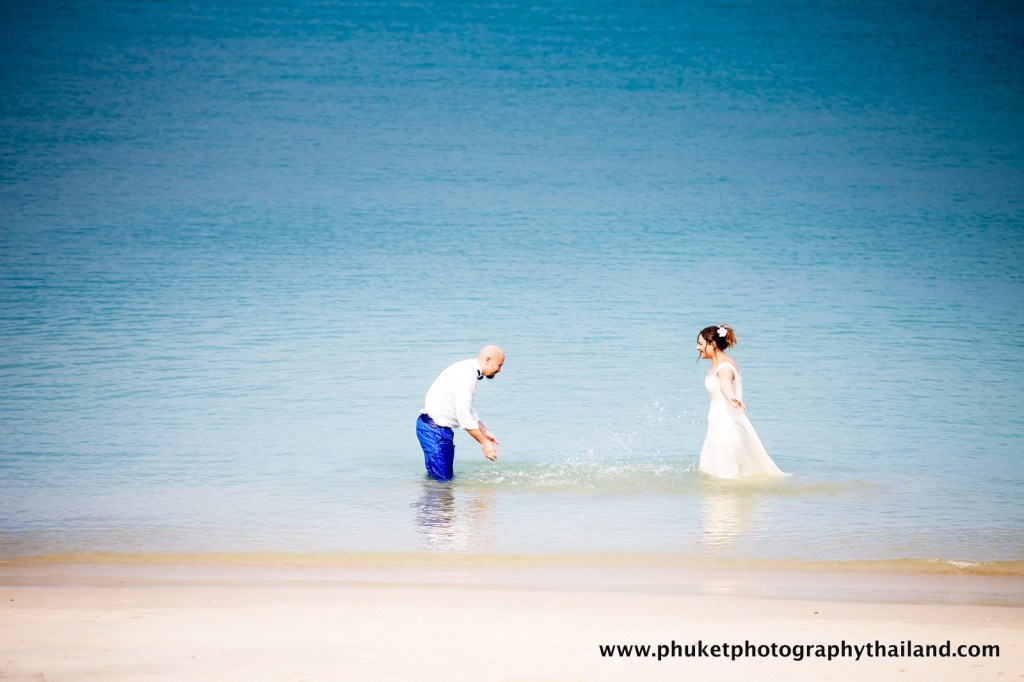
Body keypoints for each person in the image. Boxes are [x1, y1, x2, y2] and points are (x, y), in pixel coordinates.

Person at [696, 325, 783, 479]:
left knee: (725, 474)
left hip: (727, 425)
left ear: (713, 344)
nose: (697, 348)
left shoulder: (725, 366)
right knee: (714, 470)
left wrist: (731, 397)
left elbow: (725, 384)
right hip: (717, 424)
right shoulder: (716, 365)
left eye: (701, 344)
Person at [417, 345, 505, 481]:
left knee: (440, 481)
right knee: (442, 483)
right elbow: (464, 417)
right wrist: (483, 443)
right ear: (488, 359)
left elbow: (469, 409)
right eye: (499, 365)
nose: (500, 370)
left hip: (434, 429)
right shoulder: (467, 376)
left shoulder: (468, 370)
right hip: (434, 430)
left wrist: (485, 431)